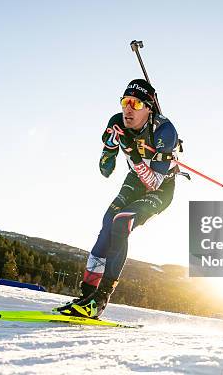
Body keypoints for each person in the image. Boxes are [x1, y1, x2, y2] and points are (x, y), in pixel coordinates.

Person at [56, 79, 181, 319]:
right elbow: (105, 170)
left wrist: (131, 150)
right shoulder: (116, 122)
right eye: (125, 102)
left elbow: (153, 182)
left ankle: (100, 300)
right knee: (108, 221)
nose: (128, 109)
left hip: (160, 187)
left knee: (122, 222)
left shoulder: (165, 131)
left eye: (135, 103)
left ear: (149, 108)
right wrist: (109, 148)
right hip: (134, 181)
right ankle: (87, 295)